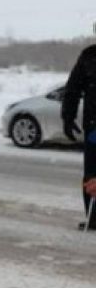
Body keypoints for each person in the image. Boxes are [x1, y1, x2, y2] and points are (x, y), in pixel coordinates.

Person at [62, 25, 96, 231]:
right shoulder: (89, 56)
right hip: (94, 129)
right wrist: (68, 117)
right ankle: (93, 218)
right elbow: (73, 88)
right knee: (92, 175)